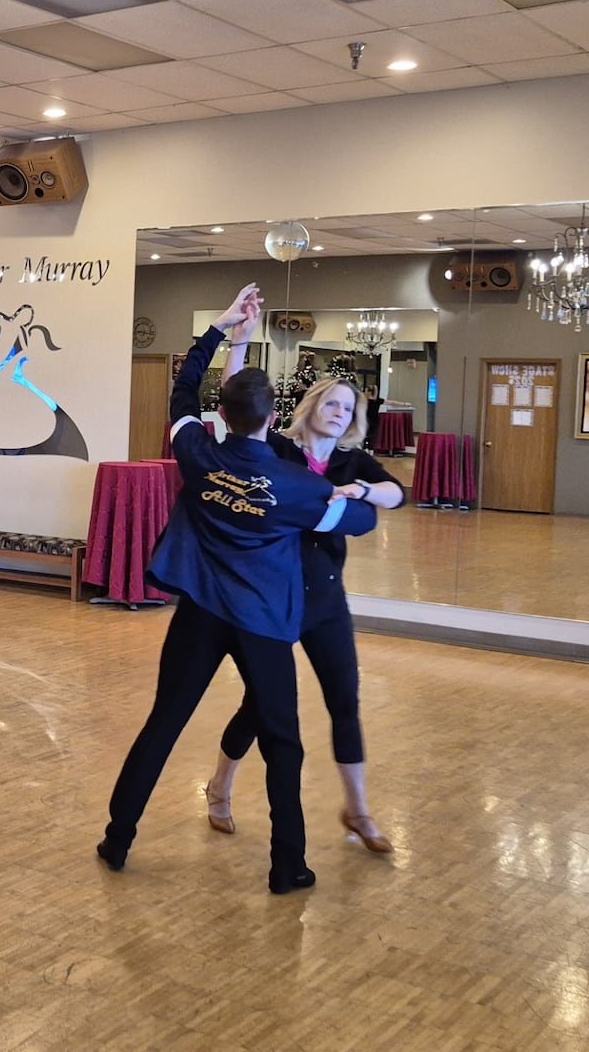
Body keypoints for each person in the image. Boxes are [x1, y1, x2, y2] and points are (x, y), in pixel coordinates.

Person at [99, 285, 378, 895]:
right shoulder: (297, 487)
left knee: (163, 724)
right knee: (284, 740)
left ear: (220, 415)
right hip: (263, 624)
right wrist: (351, 498)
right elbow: (361, 522)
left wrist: (220, 331)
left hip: (199, 615)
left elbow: (181, 390)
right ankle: (288, 866)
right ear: (273, 420)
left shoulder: (196, 450)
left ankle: (117, 839)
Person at [203, 364, 405, 855]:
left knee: (345, 702)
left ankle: (357, 810)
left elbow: (396, 494)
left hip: (326, 601)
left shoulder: (351, 462)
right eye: (332, 403)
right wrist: (239, 345)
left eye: (349, 408)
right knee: (260, 706)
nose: (340, 414)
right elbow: (237, 418)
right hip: (273, 600)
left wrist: (360, 490)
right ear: (312, 406)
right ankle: (219, 784)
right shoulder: (277, 450)